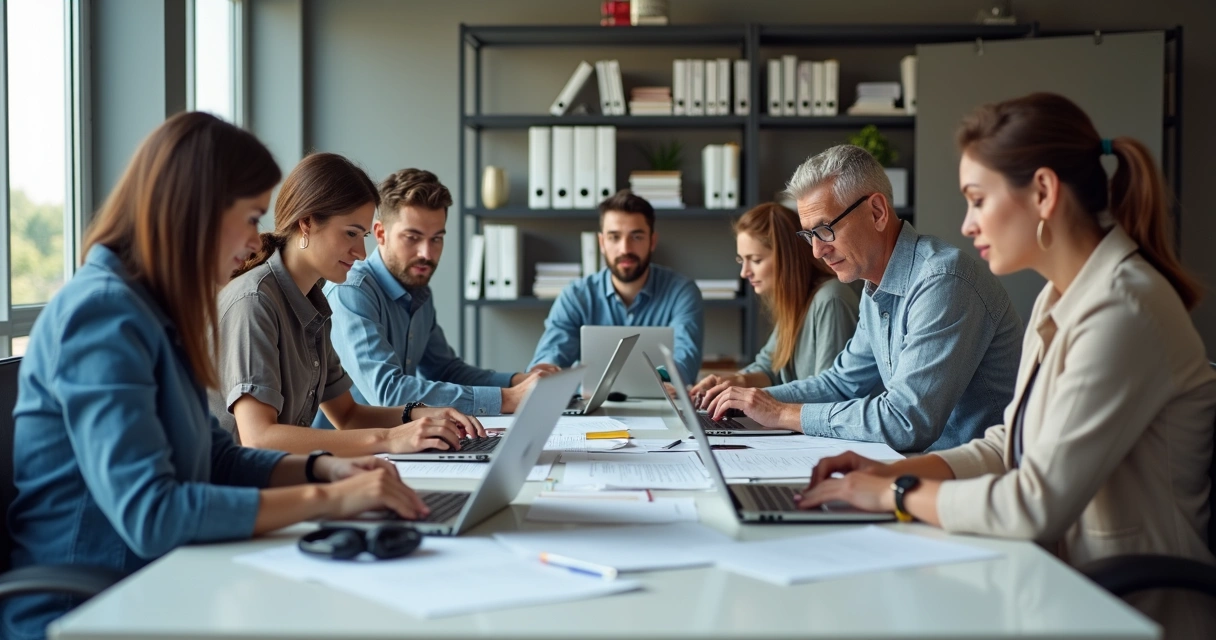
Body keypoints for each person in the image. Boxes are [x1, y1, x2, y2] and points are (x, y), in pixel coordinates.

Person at [797, 93, 1216, 637]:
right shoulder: (1060, 297)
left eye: (977, 199)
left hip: (1129, 609)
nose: (968, 225)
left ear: (1042, 192)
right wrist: (894, 471)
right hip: (1057, 580)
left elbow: (1034, 503)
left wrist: (894, 495)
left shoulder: (1123, 309)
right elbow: (1008, 443)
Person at [2, 113, 432, 640]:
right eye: (251, 217)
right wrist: (332, 500)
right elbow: (152, 513)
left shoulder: (154, 312)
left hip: (164, 581)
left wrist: (325, 472)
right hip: (90, 608)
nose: (256, 240)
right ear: (197, 210)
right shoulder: (102, 315)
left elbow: (219, 457)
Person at [704, 144, 1023, 452]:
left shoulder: (942, 281)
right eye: (809, 235)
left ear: (877, 211)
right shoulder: (874, 287)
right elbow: (839, 384)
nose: (817, 251)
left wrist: (781, 413)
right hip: (922, 468)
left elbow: (907, 421)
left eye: (826, 229)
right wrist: (747, 401)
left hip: (968, 480)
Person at [210, 153, 485, 456]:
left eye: (363, 235)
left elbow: (348, 416)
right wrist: (389, 440)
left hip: (281, 479)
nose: (361, 252)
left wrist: (420, 414)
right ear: (307, 223)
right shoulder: (256, 301)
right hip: (234, 493)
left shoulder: (314, 302)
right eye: (351, 233)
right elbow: (259, 439)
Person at [317, 168, 545, 426]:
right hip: (347, 454)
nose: (427, 253)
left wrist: (519, 381)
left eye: (436, 239)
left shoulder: (418, 290)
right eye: (412, 238)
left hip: (400, 443)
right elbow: (388, 393)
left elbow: (446, 370)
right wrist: (505, 399)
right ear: (380, 234)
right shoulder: (351, 291)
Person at [528, 189, 704, 384]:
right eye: (614, 237)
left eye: (636, 237)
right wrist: (542, 373)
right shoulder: (576, 296)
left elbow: (685, 360)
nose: (625, 249)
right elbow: (552, 354)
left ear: (652, 241)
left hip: (661, 406)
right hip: (589, 408)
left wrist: (663, 380)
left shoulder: (682, 292)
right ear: (602, 243)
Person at [689, 202, 859, 402]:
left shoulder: (831, 300)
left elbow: (829, 394)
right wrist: (732, 382)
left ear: (787, 258)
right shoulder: (796, 302)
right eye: (741, 260)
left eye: (756, 260)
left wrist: (753, 397)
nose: (745, 272)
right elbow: (769, 369)